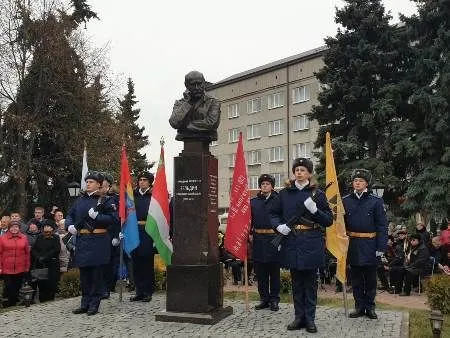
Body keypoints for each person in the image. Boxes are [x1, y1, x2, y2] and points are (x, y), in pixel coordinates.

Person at [269, 158, 333, 333]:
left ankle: (310, 319)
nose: (299, 172)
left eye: (303, 170)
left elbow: (328, 220)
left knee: (310, 285)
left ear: (309, 174)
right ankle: (298, 318)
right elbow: (273, 213)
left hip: (311, 241)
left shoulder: (318, 194)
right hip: (292, 241)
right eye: (297, 170)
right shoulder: (284, 193)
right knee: (297, 284)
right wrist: (278, 226)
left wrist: (315, 210)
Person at [66, 171, 119, 316]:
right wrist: (69, 225)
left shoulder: (106, 201)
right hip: (83, 241)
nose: (87, 184)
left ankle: (94, 305)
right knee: (85, 276)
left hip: (99, 241)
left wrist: (98, 217)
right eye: (87, 182)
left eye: (91, 182)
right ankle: (84, 304)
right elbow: (70, 215)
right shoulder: (80, 200)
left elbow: (114, 220)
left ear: (99, 184)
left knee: (97, 276)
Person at [343, 169, 388, 320]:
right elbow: (341, 225)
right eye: (355, 181)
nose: (357, 183)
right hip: (353, 244)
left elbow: (382, 226)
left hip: (370, 244)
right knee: (355, 278)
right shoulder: (346, 200)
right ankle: (359, 306)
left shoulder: (375, 201)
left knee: (370, 279)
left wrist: (381, 248)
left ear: (366, 183)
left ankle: (370, 307)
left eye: (361, 181)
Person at [251, 174, 280, 311]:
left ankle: (274, 299)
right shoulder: (254, 202)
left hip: (273, 239)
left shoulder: (278, 200)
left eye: (267, 184)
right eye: (262, 184)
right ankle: (264, 299)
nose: (265, 186)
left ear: (272, 186)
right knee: (261, 273)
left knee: (274, 272)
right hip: (258, 240)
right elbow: (248, 221)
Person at [169, 70, 221, 142]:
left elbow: (212, 123)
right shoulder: (180, 103)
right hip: (186, 141)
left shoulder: (213, 102)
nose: (197, 87)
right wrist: (188, 102)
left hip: (205, 139)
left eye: (199, 84)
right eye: (193, 84)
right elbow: (174, 123)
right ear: (186, 85)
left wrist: (185, 127)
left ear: (204, 83)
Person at [130, 171, 155, 302]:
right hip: (134, 230)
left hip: (148, 231)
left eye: (145, 180)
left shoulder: (154, 196)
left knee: (146, 262)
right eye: (140, 179)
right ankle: (139, 290)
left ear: (150, 182)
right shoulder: (133, 196)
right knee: (136, 262)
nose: (142, 182)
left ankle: (148, 291)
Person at [0, 220, 30, 306]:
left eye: (16, 227)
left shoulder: (24, 238)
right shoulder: (2, 238)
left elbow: (27, 253)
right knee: (9, 287)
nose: (14, 228)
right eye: (12, 227)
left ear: (19, 228)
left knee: (17, 287)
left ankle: (13, 304)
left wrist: (27, 266)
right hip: (6, 268)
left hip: (20, 268)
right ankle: (10, 304)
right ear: (9, 228)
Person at [100, 172, 120, 299]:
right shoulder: (96, 197)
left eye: (104, 182)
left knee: (110, 263)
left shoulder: (115, 198)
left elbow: (118, 218)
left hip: (110, 234)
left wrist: (117, 236)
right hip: (97, 236)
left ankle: (107, 288)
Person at [31, 220, 60, 302]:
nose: (46, 228)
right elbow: (34, 249)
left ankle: (50, 299)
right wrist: (38, 257)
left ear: (52, 228)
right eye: (45, 226)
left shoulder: (55, 237)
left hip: (52, 265)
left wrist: (45, 257)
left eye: (48, 226)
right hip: (41, 264)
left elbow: (56, 250)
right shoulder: (40, 237)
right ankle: (42, 299)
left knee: (51, 284)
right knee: (41, 283)